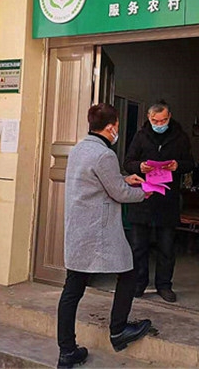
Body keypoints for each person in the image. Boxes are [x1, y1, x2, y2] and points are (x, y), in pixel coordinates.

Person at [57, 103, 152, 368]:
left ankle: (66, 351)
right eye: (117, 126)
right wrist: (145, 192)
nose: (117, 131)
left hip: (78, 228)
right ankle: (118, 330)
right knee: (129, 271)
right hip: (98, 230)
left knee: (72, 289)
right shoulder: (104, 154)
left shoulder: (79, 149)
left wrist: (124, 178)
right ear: (110, 127)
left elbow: (99, 180)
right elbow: (118, 193)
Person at [124, 101, 195, 303]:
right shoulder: (141, 136)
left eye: (163, 120)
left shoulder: (180, 137)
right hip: (143, 198)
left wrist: (177, 166)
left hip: (168, 199)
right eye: (155, 121)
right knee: (139, 246)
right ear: (149, 118)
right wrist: (140, 166)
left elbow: (190, 163)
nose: (159, 124)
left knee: (167, 247)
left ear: (169, 117)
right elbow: (128, 162)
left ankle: (164, 285)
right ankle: (139, 283)